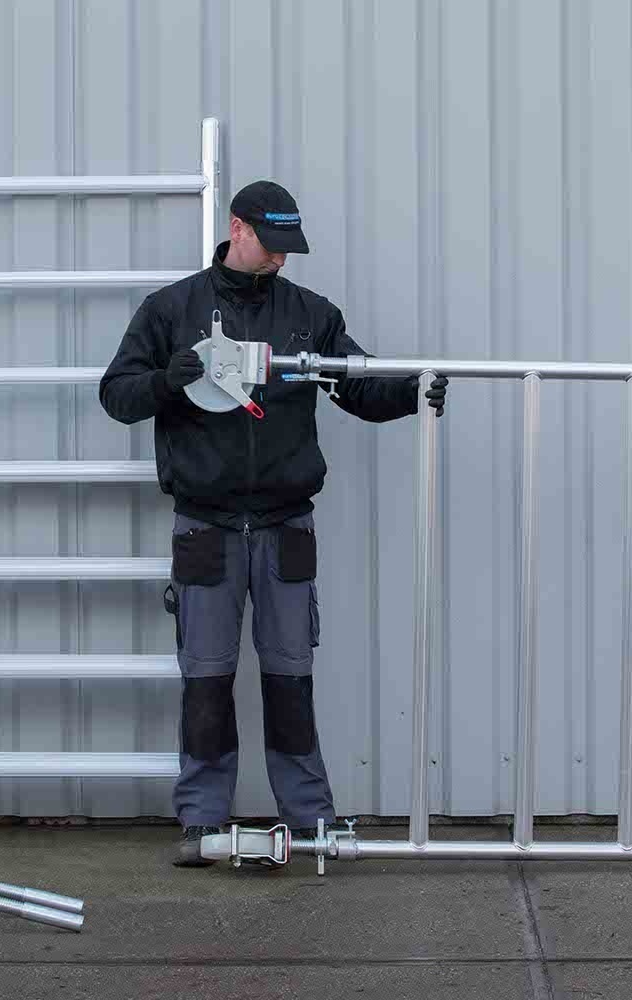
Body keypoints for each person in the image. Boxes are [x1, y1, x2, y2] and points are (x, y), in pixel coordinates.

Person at [99, 180, 447, 867]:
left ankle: (310, 818)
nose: (282, 259)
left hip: (287, 526)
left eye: (291, 248)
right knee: (207, 677)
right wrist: (169, 379)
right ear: (239, 229)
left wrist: (413, 391)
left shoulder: (309, 316)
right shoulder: (171, 311)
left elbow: (356, 386)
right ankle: (202, 821)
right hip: (205, 527)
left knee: (290, 676)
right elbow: (117, 395)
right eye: (273, 245)